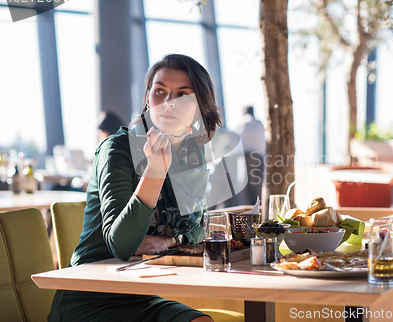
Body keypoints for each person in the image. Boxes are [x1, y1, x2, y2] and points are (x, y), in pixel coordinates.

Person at [48, 54, 221, 322]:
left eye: (182, 95)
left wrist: (171, 240)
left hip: (143, 295)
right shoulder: (117, 149)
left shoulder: (191, 156)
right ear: (148, 97)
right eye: (159, 91)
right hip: (89, 298)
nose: (168, 103)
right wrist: (155, 169)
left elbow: (200, 225)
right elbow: (123, 245)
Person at [233, 105, 266, 205]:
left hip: (244, 160)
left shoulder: (241, 124)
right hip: (259, 159)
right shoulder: (260, 125)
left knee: (245, 192)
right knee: (258, 189)